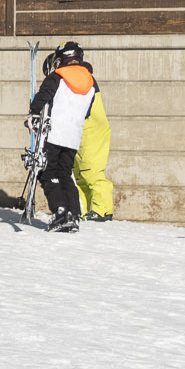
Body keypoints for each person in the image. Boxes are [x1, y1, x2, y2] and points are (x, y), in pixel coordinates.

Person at [26, 41, 99, 232]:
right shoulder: (91, 82)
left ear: (61, 58)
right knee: (65, 174)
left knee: (48, 174)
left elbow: (42, 98)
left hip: (54, 133)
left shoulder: (56, 77)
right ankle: (73, 214)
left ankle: (60, 211)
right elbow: (88, 111)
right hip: (74, 136)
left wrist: (32, 115)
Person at [72, 59, 116, 223]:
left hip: (92, 132)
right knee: (78, 175)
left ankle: (102, 210)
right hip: (81, 132)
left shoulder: (83, 79)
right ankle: (81, 209)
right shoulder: (79, 78)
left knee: (92, 172)